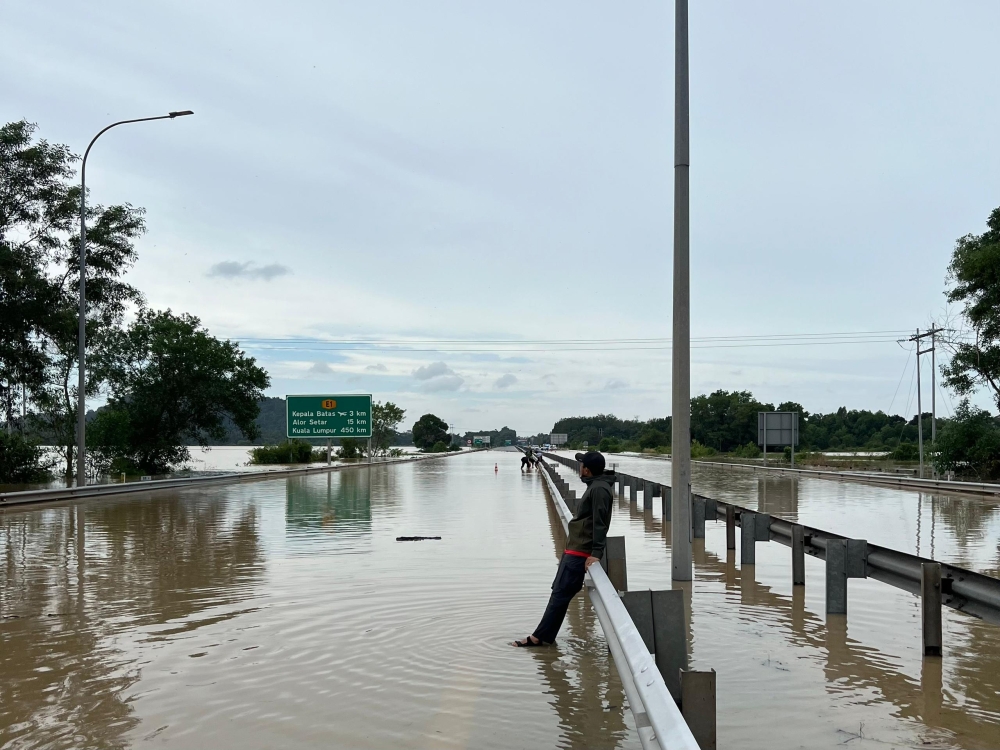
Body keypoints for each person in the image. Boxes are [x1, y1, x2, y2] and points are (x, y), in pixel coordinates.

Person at [513, 451, 615, 647]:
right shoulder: (596, 486)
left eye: (582, 464)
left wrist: (596, 553)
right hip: (576, 548)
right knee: (559, 592)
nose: (580, 468)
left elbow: (600, 523)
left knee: (560, 593)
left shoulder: (599, 489)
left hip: (580, 551)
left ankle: (539, 638)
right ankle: (544, 637)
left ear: (587, 469)